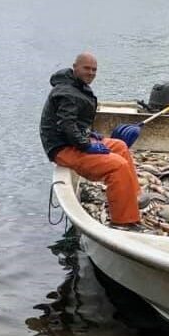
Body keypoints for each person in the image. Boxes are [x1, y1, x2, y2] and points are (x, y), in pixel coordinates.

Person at [39, 52, 141, 225]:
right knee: (118, 166)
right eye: (87, 68)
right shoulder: (67, 92)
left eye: (94, 70)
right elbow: (66, 125)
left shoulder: (77, 85)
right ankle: (125, 221)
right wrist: (87, 145)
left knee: (120, 146)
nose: (91, 73)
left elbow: (74, 122)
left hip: (74, 141)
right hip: (63, 148)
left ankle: (133, 197)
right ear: (75, 67)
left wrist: (89, 133)